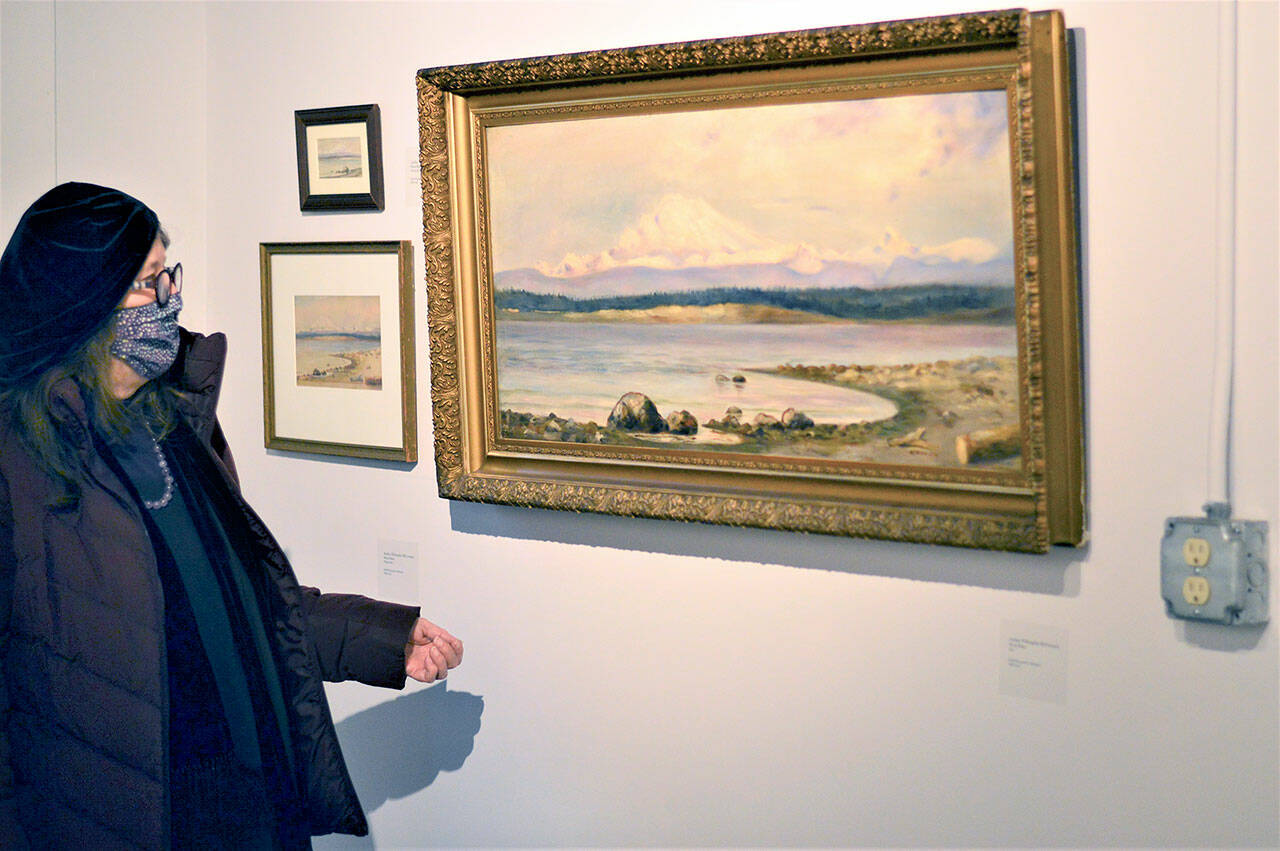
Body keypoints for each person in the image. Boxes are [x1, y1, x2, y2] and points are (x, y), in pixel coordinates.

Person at [0, 182, 463, 849]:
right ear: (81, 303)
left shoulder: (170, 428)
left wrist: (380, 638)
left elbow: (245, 605)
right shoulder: (17, 465)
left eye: (170, 275)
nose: (171, 301)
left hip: (244, 808)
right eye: (147, 283)